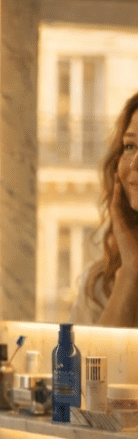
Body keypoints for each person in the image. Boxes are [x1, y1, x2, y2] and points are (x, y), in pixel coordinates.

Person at [72, 90, 138, 327]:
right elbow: (97, 362)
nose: (135, 163)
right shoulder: (99, 285)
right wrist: (131, 269)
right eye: (129, 146)